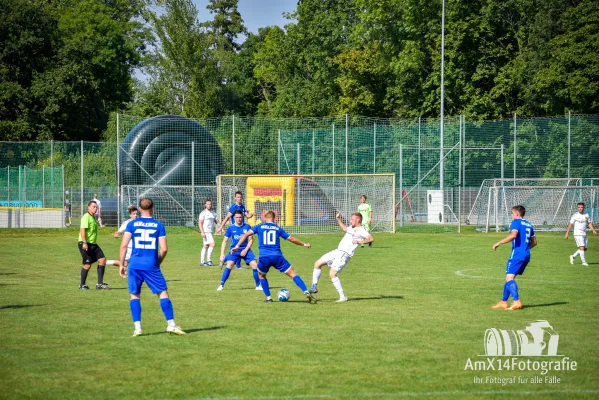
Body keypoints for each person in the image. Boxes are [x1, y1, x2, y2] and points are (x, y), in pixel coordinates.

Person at [118, 198, 185, 337]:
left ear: (140, 209)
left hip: (134, 264)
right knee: (162, 293)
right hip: (151, 265)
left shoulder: (132, 224)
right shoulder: (158, 225)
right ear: (152, 208)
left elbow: (124, 245)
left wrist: (122, 264)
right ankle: (171, 324)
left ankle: (138, 328)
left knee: (134, 295)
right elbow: (164, 249)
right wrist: (158, 261)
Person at [232, 210, 316, 303]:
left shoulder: (259, 227)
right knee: (293, 274)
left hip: (264, 258)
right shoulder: (277, 228)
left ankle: (268, 298)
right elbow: (291, 239)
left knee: (262, 276)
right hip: (277, 256)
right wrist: (304, 244)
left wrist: (237, 246)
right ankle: (305, 291)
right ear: (274, 218)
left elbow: (245, 235)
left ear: (264, 218)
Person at [311, 212, 374, 302]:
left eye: (352, 219)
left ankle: (342, 296)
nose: (350, 220)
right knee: (317, 263)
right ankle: (314, 286)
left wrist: (359, 242)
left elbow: (371, 239)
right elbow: (344, 228)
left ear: (358, 220)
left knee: (332, 273)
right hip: (338, 251)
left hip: (344, 254)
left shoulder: (361, 230)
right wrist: (338, 219)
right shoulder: (352, 228)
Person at [491, 205, 537, 311]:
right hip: (526, 254)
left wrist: (499, 242)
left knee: (509, 278)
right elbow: (534, 242)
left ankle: (516, 301)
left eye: (512, 213)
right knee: (509, 278)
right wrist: (525, 248)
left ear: (517, 214)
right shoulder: (529, 224)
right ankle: (503, 302)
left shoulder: (516, 222)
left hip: (517, 254)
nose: (511, 215)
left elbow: (513, 235)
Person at [217, 210, 261, 291]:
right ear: (234, 218)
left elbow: (251, 240)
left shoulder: (247, 227)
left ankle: (258, 285)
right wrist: (221, 254)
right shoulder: (230, 228)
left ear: (243, 217)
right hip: (234, 250)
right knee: (229, 265)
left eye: (240, 217)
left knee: (255, 265)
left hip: (246, 250)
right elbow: (225, 241)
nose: (239, 219)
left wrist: (245, 250)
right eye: (237, 217)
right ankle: (221, 285)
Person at [217, 191, 254, 269]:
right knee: (237, 246)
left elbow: (247, 216)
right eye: (238, 197)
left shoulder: (242, 207)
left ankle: (227, 260)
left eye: (240, 197)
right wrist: (220, 227)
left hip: (242, 228)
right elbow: (227, 217)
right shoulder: (233, 207)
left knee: (241, 245)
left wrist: (251, 214)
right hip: (234, 229)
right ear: (235, 198)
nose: (239, 198)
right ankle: (237, 265)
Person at [78, 201, 109, 290]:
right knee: (88, 264)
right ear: (88, 207)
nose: (95, 208)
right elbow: (82, 230)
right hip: (85, 243)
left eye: (96, 207)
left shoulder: (93, 217)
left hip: (93, 244)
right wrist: (84, 242)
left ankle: (99, 284)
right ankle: (82, 285)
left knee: (102, 260)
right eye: (93, 207)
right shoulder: (86, 217)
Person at [565, 202, 597, 266]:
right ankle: (583, 262)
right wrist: (567, 233)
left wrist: (593, 230)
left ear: (584, 208)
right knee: (582, 247)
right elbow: (570, 225)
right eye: (579, 207)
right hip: (577, 233)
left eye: (581, 207)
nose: (580, 208)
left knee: (584, 249)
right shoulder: (575, 215)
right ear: (577, 208)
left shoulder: (586, 215)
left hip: (584, 233)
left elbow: (589, 223)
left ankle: (573, 256)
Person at [199, 199, 219, 266]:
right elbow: (200, 223)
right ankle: (208, 260)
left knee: (206, 246)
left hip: (210, 231)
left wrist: (220, 227)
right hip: (206, 231)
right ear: (205, 205)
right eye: (208, 204)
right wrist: (202, 232)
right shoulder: (203, 213)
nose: (209, 205)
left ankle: (202, 262)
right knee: (212, 244)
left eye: (210, 204)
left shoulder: (213, 213)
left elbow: (217, 221)